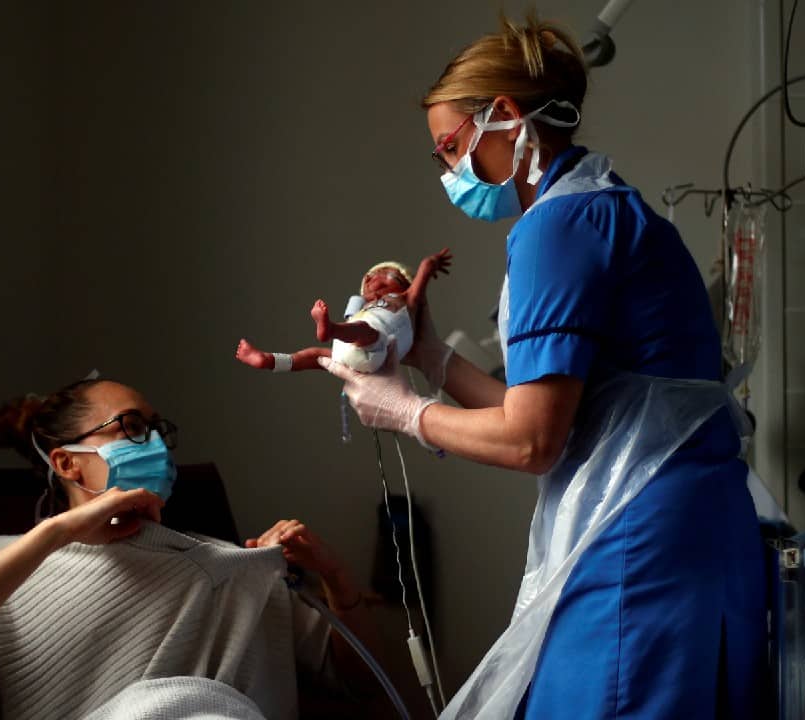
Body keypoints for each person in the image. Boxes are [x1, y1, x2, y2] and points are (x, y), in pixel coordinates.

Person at [320, 12, 768, 719]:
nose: (449, 172)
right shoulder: (608, 207)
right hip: (692, 526)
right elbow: (555, 407)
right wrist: (432, 357)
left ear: (504, 116)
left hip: (638, 542)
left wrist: (402, 412)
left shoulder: (555, 230)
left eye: (451, 148)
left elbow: (532, 441)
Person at [0, 378, 380, 720]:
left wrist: (335, 578)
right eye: (133, 427)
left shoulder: (228, 564)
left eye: (157, 429)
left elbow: (358, 680)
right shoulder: (4, 560)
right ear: (67, 463)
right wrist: (56, 535)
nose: (157, 446)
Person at [235, 249, 452, 374]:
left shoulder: (407, 301)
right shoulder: (361, 307)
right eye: (370, 277)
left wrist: (431, 263)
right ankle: (268, 360)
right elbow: (355, 317)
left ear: (406, 285)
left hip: (378, 347)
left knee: (365, 331)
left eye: (388, 275)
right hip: (347, 349)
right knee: (313, 356)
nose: (373, 278)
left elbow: (422, 273)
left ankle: (330, 329)